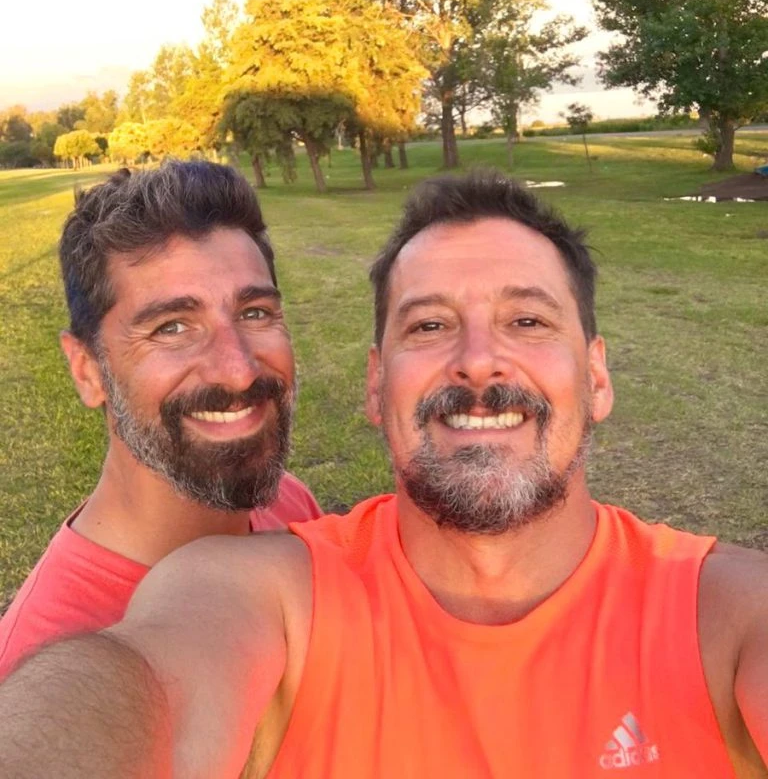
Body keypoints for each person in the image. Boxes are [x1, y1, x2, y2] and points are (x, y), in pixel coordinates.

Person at [1, 168, 767, 779]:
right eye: (429, 325)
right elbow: (151, 680)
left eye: (527, 321)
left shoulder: (728, 616)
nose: (478, 361)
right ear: (375, 385)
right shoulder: (244, 593)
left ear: (597, 377)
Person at [0, 160, 320, 680]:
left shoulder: (290, 503)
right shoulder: (44, 668)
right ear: (87, 370)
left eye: (255, 313)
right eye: (171, 327)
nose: (238, 371)